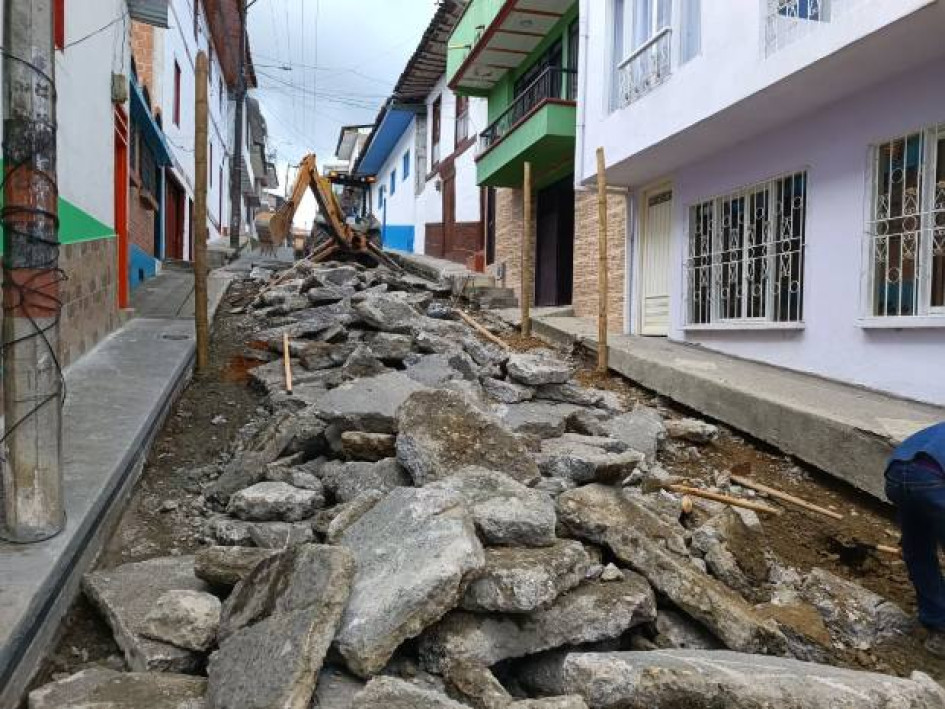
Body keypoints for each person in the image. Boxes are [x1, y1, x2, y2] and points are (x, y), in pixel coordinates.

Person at [885, 422, 945, 656]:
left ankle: (938, 625)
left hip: (896, 474)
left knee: (918, 550)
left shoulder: (937, 430)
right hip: (932, 480)